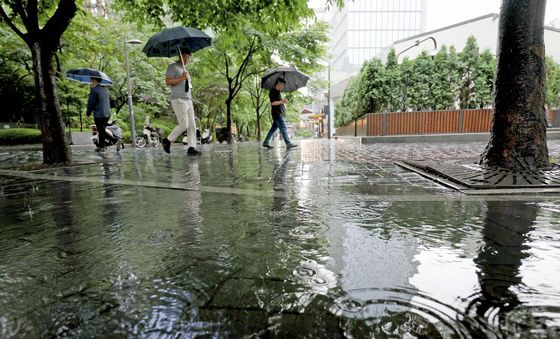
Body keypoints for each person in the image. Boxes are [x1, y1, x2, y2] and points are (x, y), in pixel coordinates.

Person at [161, 48, 201, 155]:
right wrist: (182, 78)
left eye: (188, 57)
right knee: (184, 124)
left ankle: (191, 148)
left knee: (192, 125)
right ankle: (167, 140)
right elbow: (168, 81)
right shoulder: (173, 67)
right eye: (184, 56)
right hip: (178, 99)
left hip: (188, 100)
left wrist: (185, 77)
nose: (186, 59)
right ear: (179, 56)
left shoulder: (185, 70)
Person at [262, 78, 297, 149]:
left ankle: (266, 142)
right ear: (278, 83)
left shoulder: (278, 92)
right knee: (283, 127)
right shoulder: (272, 91)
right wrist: (282, 101)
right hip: (277, 113)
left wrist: (284, 102)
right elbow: (273, 103)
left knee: (273, 129)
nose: (283, 87)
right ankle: (288, 143)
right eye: (283, 85)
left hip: (279, 113)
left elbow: (280, 102)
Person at [86, 76, 111, 152]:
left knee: (101, 130)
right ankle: (101, 146)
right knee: (102, 130)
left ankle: (115, 140)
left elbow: (91, 103)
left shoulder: (94, 90)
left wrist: (88, 113)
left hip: (99, 114)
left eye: (92, 80)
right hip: (107, 113)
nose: (91, 81)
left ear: (95, 80)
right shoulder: (106, 89)